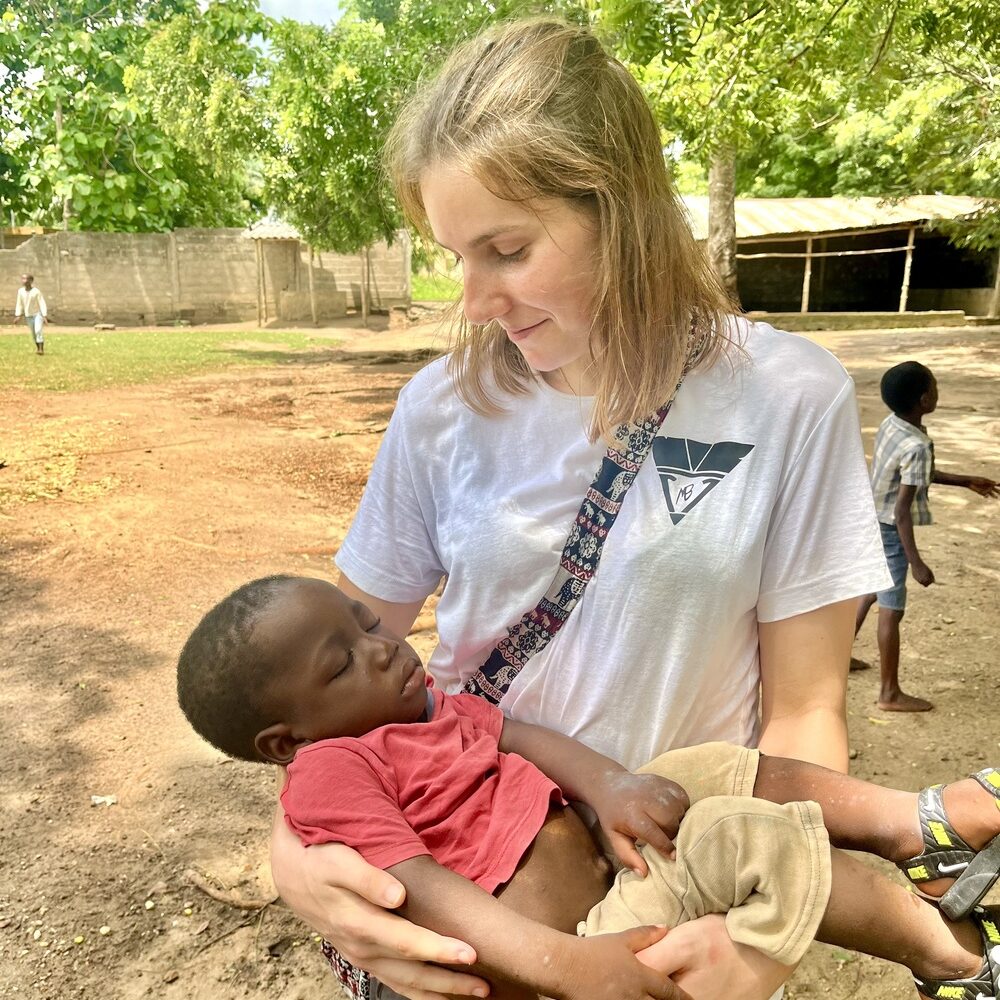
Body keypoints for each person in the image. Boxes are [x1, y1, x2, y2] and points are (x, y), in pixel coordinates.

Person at [268, 18, 895, 1000]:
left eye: (507, 250)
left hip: (674, 888)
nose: (474, 299)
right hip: (477, 893)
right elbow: (322, 676)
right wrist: (294, 855)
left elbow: (804, 709)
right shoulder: (439, 407)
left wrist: (761, 936)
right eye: (454, 253)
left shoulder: (788, 396)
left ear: (622, 209)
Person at [178, 574, 1000, 1000]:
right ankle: (949, 961)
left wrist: (611, 787)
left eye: (367, 624)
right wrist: (565, 965)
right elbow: (415, 887)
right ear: (286, 741)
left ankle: (916, 825)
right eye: (342, 664)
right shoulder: (334, 769)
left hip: (607, 858)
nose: (384, 648)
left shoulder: (428, 710)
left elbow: (522, 737)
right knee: (746, 837)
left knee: (703, 768)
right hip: (582, 945)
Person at [855, 361, 999, 712]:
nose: (937, 391)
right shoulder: (917, 444)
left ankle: (840, 654)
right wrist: (916, 562)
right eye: (934, 386)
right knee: (891, 609)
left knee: (871, 589)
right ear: (924, 399)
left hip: (873, 517)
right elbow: (902, 511)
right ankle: (889, 693)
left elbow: (916, 474)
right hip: (890, 528)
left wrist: (965, 480)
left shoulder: (893, 424)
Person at [13, 273, 47, 355]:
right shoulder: (20, 291)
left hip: (37, 314)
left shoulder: (36, 291)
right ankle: (38, 348)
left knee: (38, 330)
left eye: (26, 279)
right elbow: (19, 303)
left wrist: (44, 315)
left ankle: (41, 349)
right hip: (28, 315)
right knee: (34, 333)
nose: (24, 281)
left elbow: (42, 302)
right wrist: (18, 315)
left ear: (31, 281)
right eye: (23, 279)